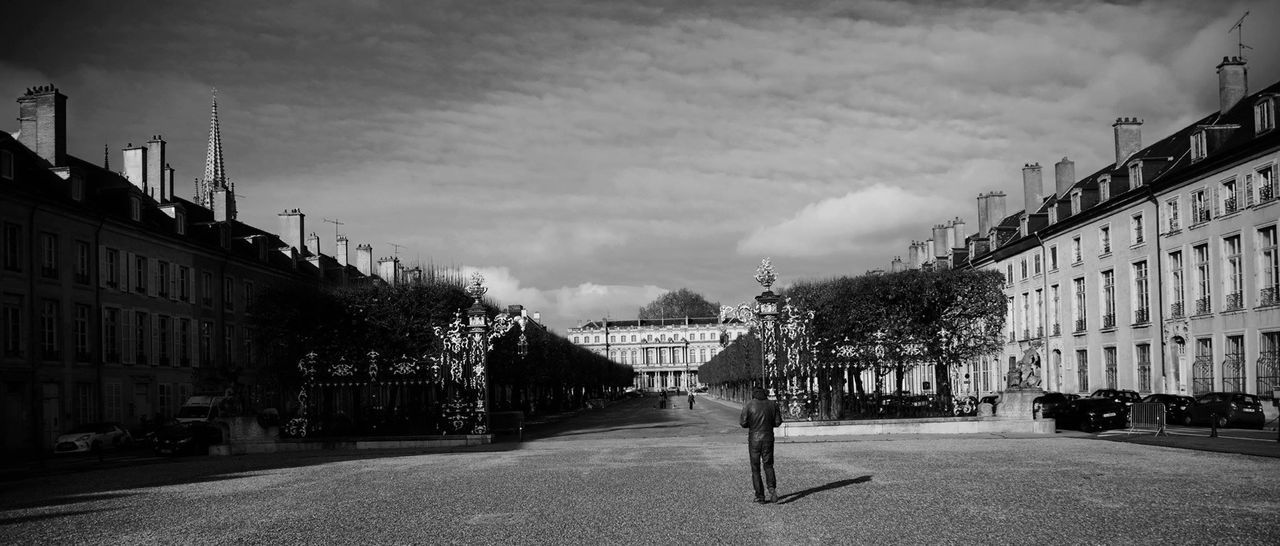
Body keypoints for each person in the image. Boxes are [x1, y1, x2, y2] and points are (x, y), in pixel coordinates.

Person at [740, 386, 782, 504]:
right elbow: (778, 422)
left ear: (753, 394)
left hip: (754, 439)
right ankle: (771, 487)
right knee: (768, 465)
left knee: (755, 468)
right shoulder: (772, 404)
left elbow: (743, 423)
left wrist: (752, 424)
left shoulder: (749, 405)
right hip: (768, 437)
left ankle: (760, 496)